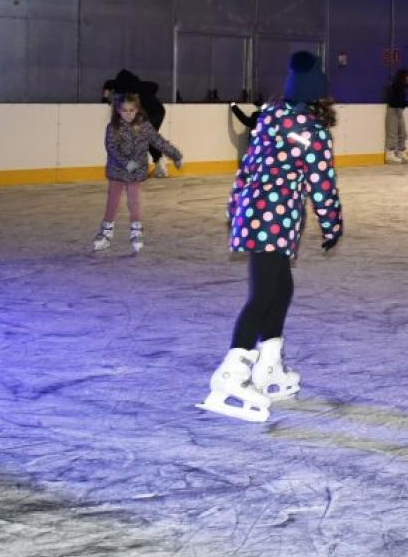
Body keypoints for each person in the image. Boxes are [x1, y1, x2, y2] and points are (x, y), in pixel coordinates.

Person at [201, 51, 343, 423]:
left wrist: (235, 207)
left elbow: (247, 164)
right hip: (275, 220)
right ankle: (230, 376)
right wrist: (332, 225)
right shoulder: (312, 132)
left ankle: (268, 366)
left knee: (281, 290)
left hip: (255, 212)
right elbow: (322, 184)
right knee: (263, 296)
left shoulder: (270, 117)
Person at [94, 93, 162, 253]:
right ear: (118, 111)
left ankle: (136, 232)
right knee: (113, 201)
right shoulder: (112, 128)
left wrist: (174, 154)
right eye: (124, 110)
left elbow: (157, 141)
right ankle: (106, 234)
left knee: (134, 201)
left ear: (137, 110)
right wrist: (126, 163)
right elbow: (112, 149)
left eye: (132, 110)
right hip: (117, 170)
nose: (128, 114)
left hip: (134, 173)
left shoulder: (142, 127)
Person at [104, 69, 182, 178]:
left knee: (147, 137)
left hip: (155, 112)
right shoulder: (123, 86)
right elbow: (109, 84)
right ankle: (158, 162)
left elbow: (154, 86)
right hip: (146, 114)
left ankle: (160, 162)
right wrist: (106, 93)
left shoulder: (139, 87)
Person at [383, 67, 408, 165]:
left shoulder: (402, 88)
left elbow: (402, 100)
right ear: (403, 77)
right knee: (392, 132)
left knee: (403, 133)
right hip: (393, 110)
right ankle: (390, 155)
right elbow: (398, 100)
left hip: (399, 111)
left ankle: (401, 153)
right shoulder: (396, 86)